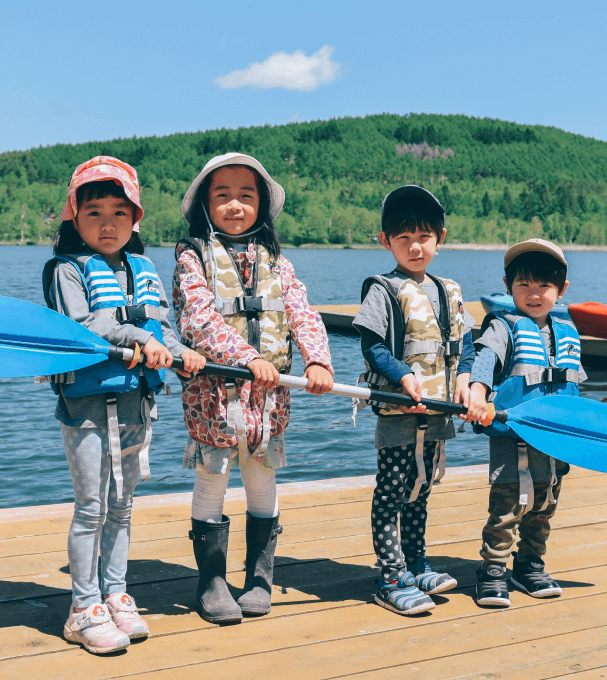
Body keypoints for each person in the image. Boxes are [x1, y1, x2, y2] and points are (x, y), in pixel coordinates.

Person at [42, 156, 206, 653]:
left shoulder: (144, 269)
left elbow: (162, 328)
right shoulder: (66, 270)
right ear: (74, 217)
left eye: (119, 212)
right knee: (92, 507)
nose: (107, 223)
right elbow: (84, 325)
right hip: (89, 406)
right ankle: (82, 607)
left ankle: (115, 594)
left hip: (137, 403)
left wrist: (179, 353)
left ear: (135, 218)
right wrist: (138, 336)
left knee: (123, 506)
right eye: (94, 213)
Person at [172, 152, 335, 624]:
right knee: (214, 478)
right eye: (222, 195)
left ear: (262, 204)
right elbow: (198, 321)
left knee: (262, 478)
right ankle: (212, 581)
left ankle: (260, 578)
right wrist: (249, 358)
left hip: (269, 398)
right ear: (205, 203)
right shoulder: (192, 256)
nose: (235, 204)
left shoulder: (278, 261)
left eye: (247, 195)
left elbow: (303, 313)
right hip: (214, 397)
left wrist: (318, 360)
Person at [351, 185, 477, 616]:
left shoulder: (450, 291)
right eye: (403, 238)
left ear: (439, 239)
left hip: (439, 412)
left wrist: (463, 378)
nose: (414, 246)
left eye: (423, 237)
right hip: (400, 411)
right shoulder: (383, 289)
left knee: (421, 489)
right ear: (386, 241)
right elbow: (372, 346)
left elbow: (467, 345)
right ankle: (389, 575)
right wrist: (402, 374)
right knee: (391, 493)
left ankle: (416, 561)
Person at [467, 238, 586, 608]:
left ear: (561, 290)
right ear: (508, 286)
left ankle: (530, 565)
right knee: (506, 509)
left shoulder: (568, 332)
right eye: (524, 285)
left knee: (544, 506)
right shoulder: (503, 327)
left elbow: (574, 385)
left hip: (555, 441)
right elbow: (484, 361)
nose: (534, 294)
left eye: (544, 286)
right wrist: (477, 390)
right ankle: (493, 569)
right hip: (513, 436)